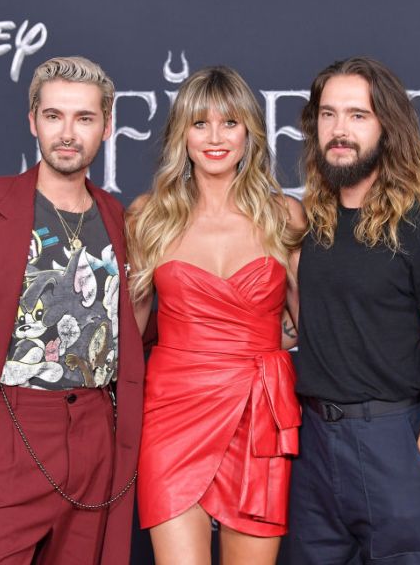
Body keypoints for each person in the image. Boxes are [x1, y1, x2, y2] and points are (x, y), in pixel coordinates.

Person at [0, 56, 144, 565]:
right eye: (54, 116)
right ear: (33, 121)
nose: (68, 133)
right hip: (9, 430)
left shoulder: (119, 219)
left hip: (94, 437)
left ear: (106, 126)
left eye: (84, 118)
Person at [288, 56, 420, 564]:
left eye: (357, 115)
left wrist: (418, 465)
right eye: (328, 115)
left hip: (390, 442)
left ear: (387, 127)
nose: (339, 130)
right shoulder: (314, 223)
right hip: (311, 447)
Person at [126, 65, 306, 565]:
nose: (215, 137)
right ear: (181, 135)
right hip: (171, 415)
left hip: (257, 415)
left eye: (229, 122)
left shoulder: (283, 214)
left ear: (250, 132)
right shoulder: (149, 216)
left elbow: (312, 324)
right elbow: (130, 331)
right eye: (199, 123)